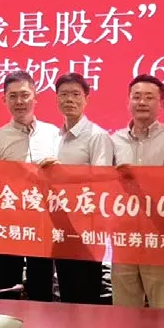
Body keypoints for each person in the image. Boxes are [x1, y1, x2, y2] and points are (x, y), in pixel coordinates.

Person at [0, 71, 62, 301]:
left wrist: (58, 168)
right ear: (4, 99)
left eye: (24, 95)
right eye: (13, 96)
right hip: (8, 224)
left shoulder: (54, 133)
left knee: (42, 286)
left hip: (43, 223)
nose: (19, 101)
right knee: (7, 284)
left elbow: (64, 178)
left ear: (35, 96)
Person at [110, 74, 164, 309]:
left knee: (163, 310)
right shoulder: (114, 140)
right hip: (124, 235)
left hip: (160, 235)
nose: (142, 102)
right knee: (123, 313)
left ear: (161, 103)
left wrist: (137, 177)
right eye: (136, 97)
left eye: (149, 97)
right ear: (128, 101)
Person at [46, 72, 113, 304]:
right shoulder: (55, 136)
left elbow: (102, 180)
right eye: (63, 94)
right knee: (66, 295)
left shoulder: (97, 136)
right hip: (60, 226)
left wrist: (63, 173)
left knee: (86, 296)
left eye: (76, 94)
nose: (69, 100)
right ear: (56, 99)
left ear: (86, 99)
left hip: (88, 228)